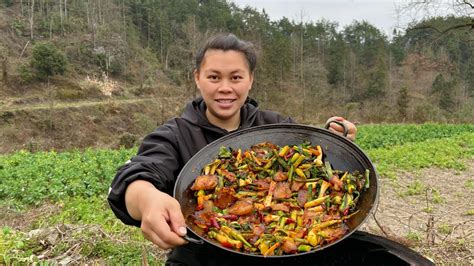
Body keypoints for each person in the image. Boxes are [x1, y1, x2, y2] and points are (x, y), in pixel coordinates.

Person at [107, 33, 357, 265]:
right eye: (214, 77)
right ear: (197, 78)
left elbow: (318, 152)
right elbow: (136, 176)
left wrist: (336, 137)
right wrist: (147, 199)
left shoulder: (276, 127)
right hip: (200, 257)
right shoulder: (175, 134)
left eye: (236, 77)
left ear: (250, 80)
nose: (225, 87)